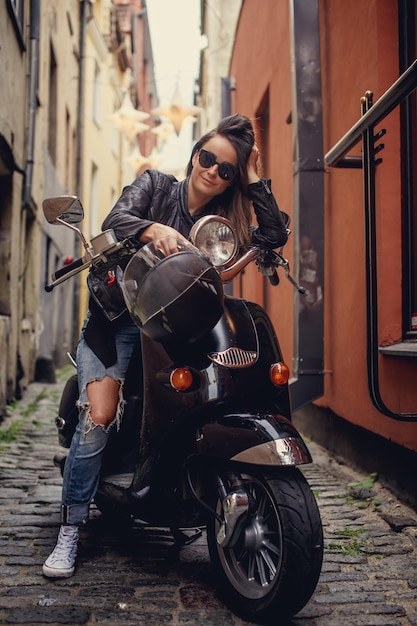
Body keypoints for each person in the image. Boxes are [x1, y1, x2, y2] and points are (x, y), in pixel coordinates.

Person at [42, 113, 288, 578]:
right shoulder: (155, 186)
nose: (212, 170)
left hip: (183, 327)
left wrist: (255, 176)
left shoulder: (223, 225)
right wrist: (153, 230)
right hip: (120, 319)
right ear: (196, 154)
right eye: (208, 158)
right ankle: (70, 530)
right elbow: (116, 218)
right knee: (97, 417)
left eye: (227, 169)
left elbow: (273, 235)